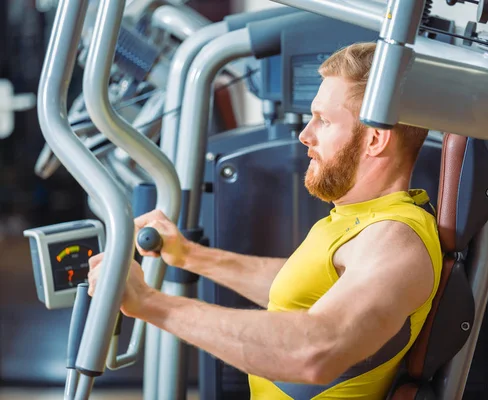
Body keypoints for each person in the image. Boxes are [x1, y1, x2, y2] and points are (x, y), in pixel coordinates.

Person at [88, 42, 443, 399]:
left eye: (324, 120)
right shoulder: (359, 218)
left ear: (375, 140)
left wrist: (149, 303)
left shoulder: (395, 238)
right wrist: (189, 255)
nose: (306, 134)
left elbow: (319, 350)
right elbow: (299, 287)